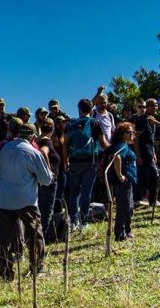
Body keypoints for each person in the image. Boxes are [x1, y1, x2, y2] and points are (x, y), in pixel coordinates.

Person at [0, 123, 53, 281]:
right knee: (34, 235)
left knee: (3, 240)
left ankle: (6, 274)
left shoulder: (3, 149)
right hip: (26, 201)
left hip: (2, 201)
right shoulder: (33, 152)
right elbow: (46, 180)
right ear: (33, 136)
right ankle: (36, 268)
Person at [67, 98, 107, 230]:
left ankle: (73, 222)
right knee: (86, 192)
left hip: (73, 162)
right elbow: (103, 143)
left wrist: (66, 159)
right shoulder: (94, 123)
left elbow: (65, 144)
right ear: (91, 110)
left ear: (79, 109)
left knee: (74, 192)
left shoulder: (71, 124)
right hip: (90, 162)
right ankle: (83, 222)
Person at [105, 122, 137, 241]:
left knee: (129, 206)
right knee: (124, 206)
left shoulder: (125, 145)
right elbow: (117, 157)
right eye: (129, 132)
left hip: (128, 181)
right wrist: (120, 175)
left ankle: (127, 231)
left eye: (133, 132)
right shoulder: (121, 145)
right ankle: (120, 234)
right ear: (122, 134)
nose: (132, 134)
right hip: (123, 181)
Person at [133, 99, 160, 207]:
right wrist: (138, 155)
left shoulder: (148, 119)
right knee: (146, 175)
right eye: (140, 107)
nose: (142, 109)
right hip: (140, 151)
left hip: (149, 150)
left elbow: (151, 138)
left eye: (144, 107)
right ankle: (142, 199)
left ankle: (151, 199)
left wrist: (153, 152)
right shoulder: (134, 120)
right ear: (135, 108)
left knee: (152, 175)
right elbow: (134, 139)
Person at [37, 118, 60, 238]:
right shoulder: (46, 142)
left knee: (40, 209)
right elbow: (43, 152)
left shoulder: (37, 140)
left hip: (39, 181)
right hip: (49, 182)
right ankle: (42, 238)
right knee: (46, 211)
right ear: (52, 128)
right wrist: (48, 171)